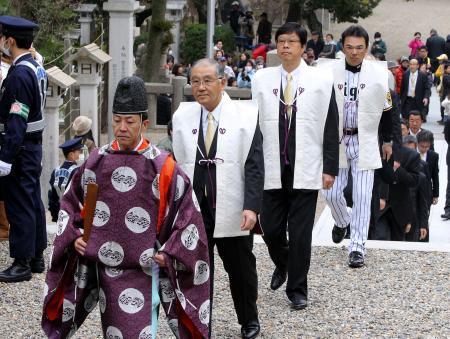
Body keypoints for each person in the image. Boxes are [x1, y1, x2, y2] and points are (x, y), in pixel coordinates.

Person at [42, 76, 210, 338]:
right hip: (103, 266)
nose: (122, 127)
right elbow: (70, 205)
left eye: (129, 121)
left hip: (146, 267)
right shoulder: (96, 161)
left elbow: (188, 216)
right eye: (117, 120)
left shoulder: (163, 166)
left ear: (144, 123)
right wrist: (74, 237)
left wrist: (171, 252)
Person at [172, 59, 264, 339]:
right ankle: (199, 322)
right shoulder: (181, 116)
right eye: (195, 81)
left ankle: (249, 319)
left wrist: (251, 207)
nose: (200, 87)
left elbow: (254, 164)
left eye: (207, 80)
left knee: (241, 268)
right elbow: (176, 162)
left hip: (232, 205)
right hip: (194, 207)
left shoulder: (246, 115)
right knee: (197, 269)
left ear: (223, 82)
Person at [252, 22, 339, 310]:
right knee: (271, 227)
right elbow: (253, 123)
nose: (285, 46)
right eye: (281, 41)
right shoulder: (261, 79)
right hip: (271, 163)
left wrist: (330, 167)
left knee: (301, 232)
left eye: (291, 41)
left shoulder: (321, 80)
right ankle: (284, 262)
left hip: (307, 164)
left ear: (303, 47)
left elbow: (330, 125)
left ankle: (298, 289)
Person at [321, 25, 393, 268]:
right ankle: (342, 221)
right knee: (330, 193)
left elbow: (388, 110)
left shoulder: (379, 74)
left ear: (366, 48)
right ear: (343, 47)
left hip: (366, 139)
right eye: (349, 47)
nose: (354, 52)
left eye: (359, 47)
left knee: (363, 195)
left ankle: (358, 246)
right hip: (337, 140)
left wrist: (389, 140)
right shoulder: (328, 72)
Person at [0, 16, 48, 283]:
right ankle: (37, 254)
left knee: (19, 203)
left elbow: (17, 117)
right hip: (33, 144)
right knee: (32, 200)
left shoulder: (18, 74)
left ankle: (21, 262)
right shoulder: (36, 67)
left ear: (10, 41)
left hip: (20, 146)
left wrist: (6, 156)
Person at [372, 138, 421, 241]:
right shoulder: (376, 151)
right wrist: (381, 196)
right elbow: (374, 176)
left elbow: (414, 181)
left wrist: (398, 169)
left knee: (397, 241)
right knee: (380, 237)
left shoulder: (411, 155)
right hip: (380, 206)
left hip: (400, 207)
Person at [48, 138, 83, 222]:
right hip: (74, 214)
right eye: (78, 152)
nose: (80, 154)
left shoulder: (55, 171)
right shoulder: (77, 171)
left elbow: (51, 195)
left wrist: (54, 215)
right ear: (71, 154)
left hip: (59, 212)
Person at [403, 135, 431, 241]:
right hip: (396, 217)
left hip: (414, 218)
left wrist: (424, 224)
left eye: (412, 150)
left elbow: (424, 201)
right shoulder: (394, 169)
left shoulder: (422, 169)